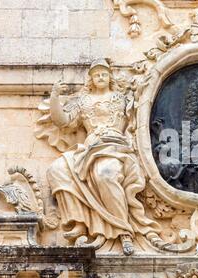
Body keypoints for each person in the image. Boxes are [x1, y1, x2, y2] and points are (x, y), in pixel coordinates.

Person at [47, 58, 160, 255]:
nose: (101, 76)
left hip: (115, 146)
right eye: (97, 74)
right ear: (90, 79)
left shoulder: (121, 98)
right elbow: (62, 121)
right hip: (90, 148)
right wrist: (55, 97)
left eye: (104, 73)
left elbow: (142, 112)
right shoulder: (83, 101)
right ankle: (80, 222)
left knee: (105, 173)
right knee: (56, 169)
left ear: (110, 77)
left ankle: (123, 230)